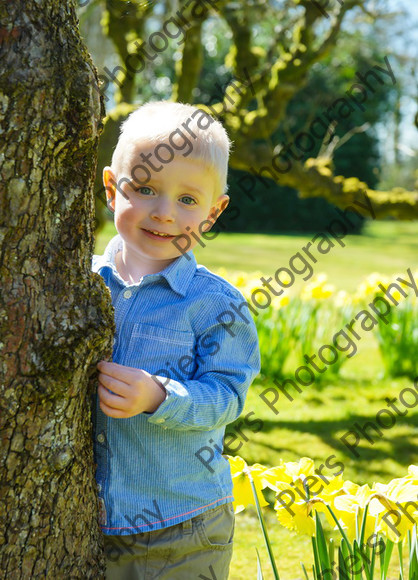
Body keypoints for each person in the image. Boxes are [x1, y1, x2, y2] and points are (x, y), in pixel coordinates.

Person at [91, 100, 261, 580]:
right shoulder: (79, 283)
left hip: (183, 527)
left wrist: (159, 396)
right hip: (91, 522)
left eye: (187, 200)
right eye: (145, 189)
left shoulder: (215, 304)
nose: (163, 213)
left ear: (213, 212)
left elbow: (227, 396)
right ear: (112, 188)